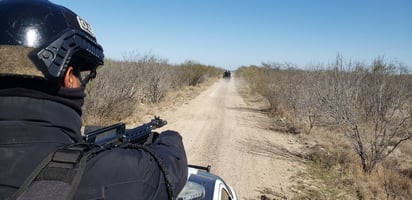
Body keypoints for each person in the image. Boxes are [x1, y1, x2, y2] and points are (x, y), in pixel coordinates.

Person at [0, 0, 188, 199]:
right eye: (81, 75)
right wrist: (163, 138)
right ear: (69, 77)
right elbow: (172, 164)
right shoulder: (120, 174)